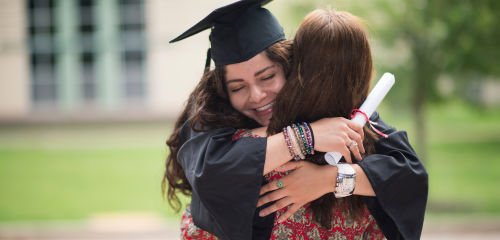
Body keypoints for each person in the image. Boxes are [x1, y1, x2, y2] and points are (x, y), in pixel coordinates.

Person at [165, 1, 428, 240]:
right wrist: (306, 136)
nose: (257, 96)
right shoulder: (209, 115)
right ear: (222, 90)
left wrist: (330, 178)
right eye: (237, 87)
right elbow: (211, 172)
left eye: (267, 77)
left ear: (290, 67)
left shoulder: (331, 107)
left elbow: (407, 174)